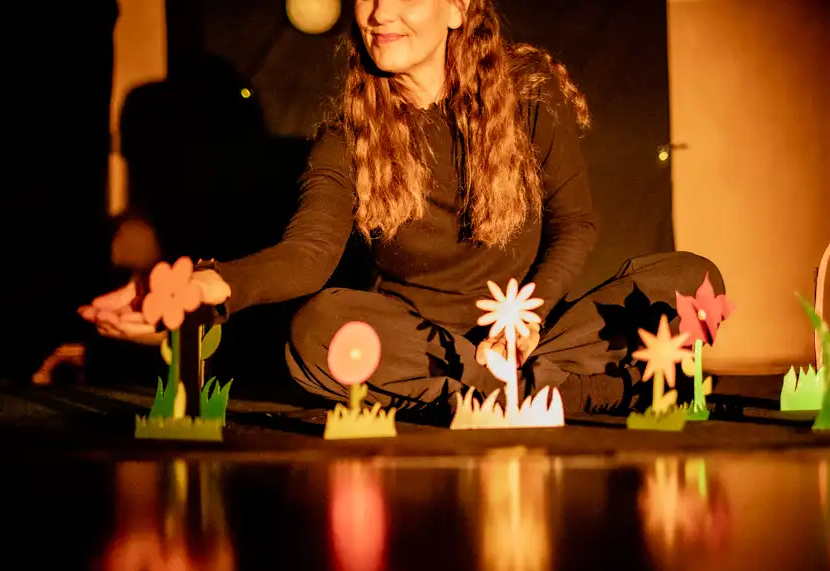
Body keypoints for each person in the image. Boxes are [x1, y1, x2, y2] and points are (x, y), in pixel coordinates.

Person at [80, 0, 724, 419]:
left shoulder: (530, 95)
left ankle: (525, 385)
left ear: (456, 8)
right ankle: (551, 394)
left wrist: (531, 317)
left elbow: (574, 225)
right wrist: (201, 287)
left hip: (531, 339)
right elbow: (306, 258)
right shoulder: (348, 133)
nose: (380, 11)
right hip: (417, 348)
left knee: (693, 282)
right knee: (318, 329)